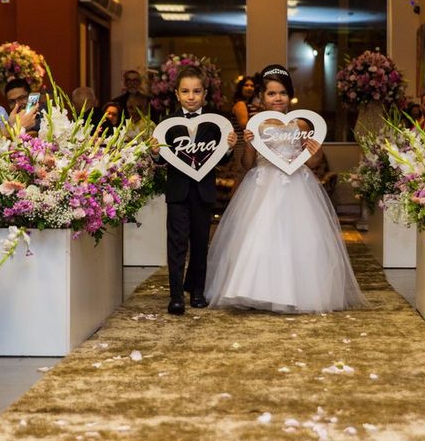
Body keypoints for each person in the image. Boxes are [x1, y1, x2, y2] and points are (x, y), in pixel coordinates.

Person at [204, 64, 367, 313]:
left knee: (297, 238)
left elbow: (312, 162)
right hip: (262, 184)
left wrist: (316, 149)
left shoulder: (300, 124)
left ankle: (298, 292)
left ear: (289, 94)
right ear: (262, 96)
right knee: (260, 236)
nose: (277, 98)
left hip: (296, 185)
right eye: (271, 93)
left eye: (281, 92)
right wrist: (248, 145)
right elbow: (247, 164)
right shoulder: (256, 125)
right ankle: (254, 290)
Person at [150, 65, 236, 315]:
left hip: (204, 192)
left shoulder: (216, 123)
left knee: (200, 244)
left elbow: (220, 159)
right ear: (176, 94)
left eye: (196, 91)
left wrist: (229, 148)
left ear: (205, 94)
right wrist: (155, 154)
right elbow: (163, 158)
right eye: (185, 91)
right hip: (178, 192)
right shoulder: (168, 123)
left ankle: (197, 291)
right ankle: (176, 295)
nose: (191, 97)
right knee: (176, 245)